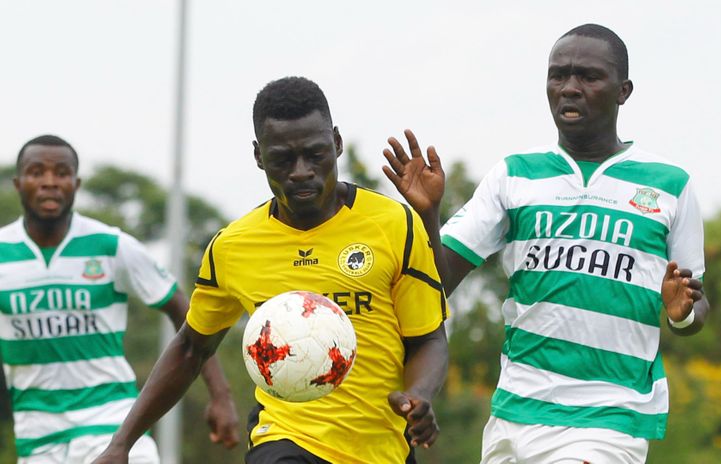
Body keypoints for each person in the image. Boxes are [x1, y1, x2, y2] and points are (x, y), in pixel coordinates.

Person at [383, 23, 710, 463]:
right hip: (514, 413)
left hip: (608, 419)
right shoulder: (515, 174)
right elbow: (438, 281)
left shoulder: (670, 185)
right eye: (558, 75)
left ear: (623, 90)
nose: (569, 88)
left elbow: (696, 306)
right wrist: (428, 212)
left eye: (588, 77)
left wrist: (683, 313)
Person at [93, 76, 449, 464]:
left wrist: (420, 396)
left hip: (383, 449)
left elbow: (428, 338)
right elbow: (191, 347)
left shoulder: (394, 223)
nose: (300, 171)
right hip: (283, 439)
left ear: (337, 143)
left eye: (315, 154)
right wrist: (121, 444)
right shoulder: (233, 247)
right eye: (283, 158)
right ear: (259, 155)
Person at [0, 135, 240, 463]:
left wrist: (220, 395)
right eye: (36, 172)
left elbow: (187, 311)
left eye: (61, 173)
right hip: (39, 439)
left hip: (113, 424)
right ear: (18, 182)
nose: (49, 183)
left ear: (76, 182)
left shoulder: (111, 246)